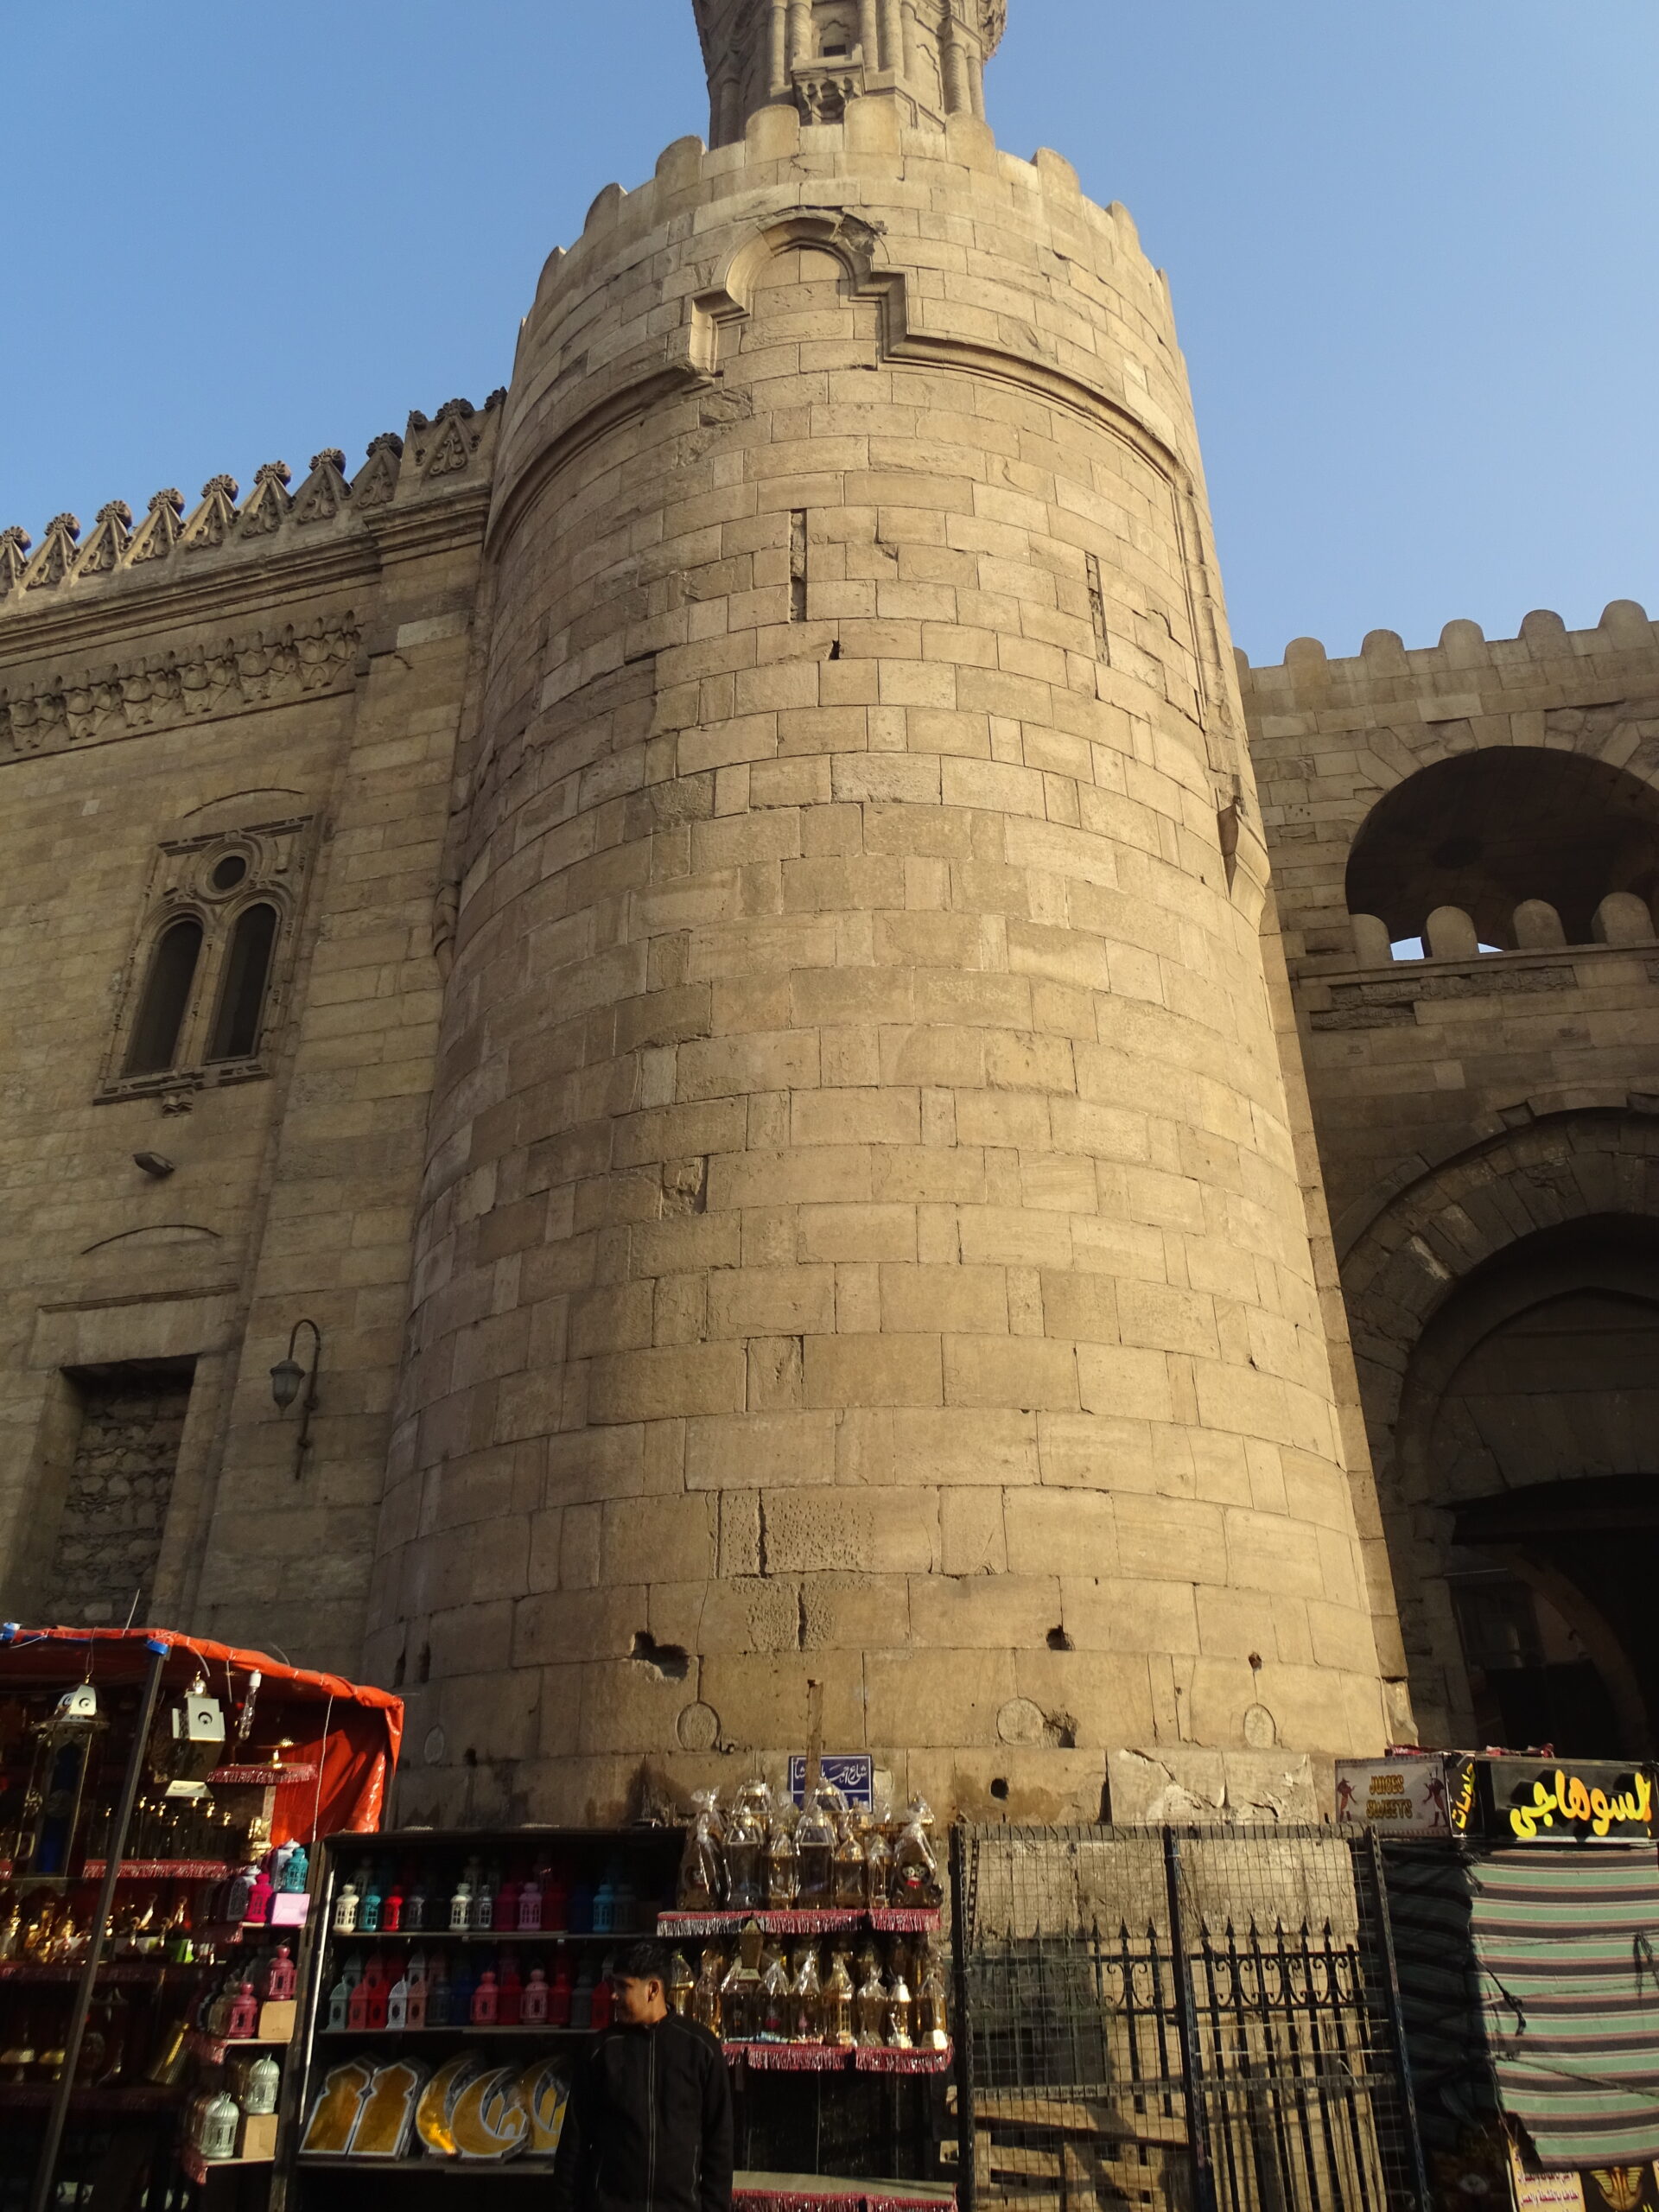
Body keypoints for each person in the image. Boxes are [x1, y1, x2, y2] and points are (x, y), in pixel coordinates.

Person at [551, 1938, 734, 2212]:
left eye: (624, 1987)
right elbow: (573, 2143)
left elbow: (719, 2144)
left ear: (653, 1990)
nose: (613, 1996)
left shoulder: (701, 2048)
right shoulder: (601, 2050)